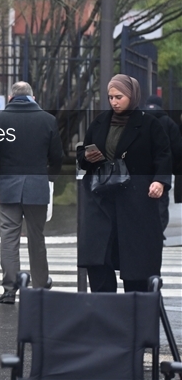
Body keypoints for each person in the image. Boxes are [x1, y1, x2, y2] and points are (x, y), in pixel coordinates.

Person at [78, 74, 172, 293]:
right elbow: (84, 151)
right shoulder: (100, 122)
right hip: (101, 199)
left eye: (119, 96)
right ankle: (105, 310)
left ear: (132, 95)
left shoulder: (149, 124)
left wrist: (159, 181)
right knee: (99, 256)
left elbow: (163, 155)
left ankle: (135, 310)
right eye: (110, 97)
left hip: (136, 200)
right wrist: (87, 156)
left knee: (136, 260)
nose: (114, 102)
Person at [0, 82, 61, 304]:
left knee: (8, 238)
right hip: (37, 187)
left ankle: (10, 289)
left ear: (9, 96)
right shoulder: (48, 120)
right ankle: (40, 284)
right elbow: (57, 157)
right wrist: (48, 179)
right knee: (36, 238)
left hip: (8, 187)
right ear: (33, 96)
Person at [145, 95, 181, 228]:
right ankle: (158, 229)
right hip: (162, 168)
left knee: (141, 198)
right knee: (161, 198)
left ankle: (144, 230)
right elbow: (177, 148)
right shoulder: (169, 122)